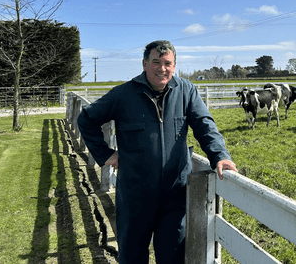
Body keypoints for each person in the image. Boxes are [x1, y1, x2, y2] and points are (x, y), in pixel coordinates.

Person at [77, 40, 237, 263]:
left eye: (167, 63)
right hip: (135, 196)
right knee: (132, 257)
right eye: (156, 62)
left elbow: (204, 124)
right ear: (144, 64)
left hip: (174, 196)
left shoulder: (186, 91)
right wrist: (105, 155)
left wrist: (219, 155)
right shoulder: (124, 95)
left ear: (174, 65)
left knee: (172, 257)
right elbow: (86, 119)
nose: (162, 68)